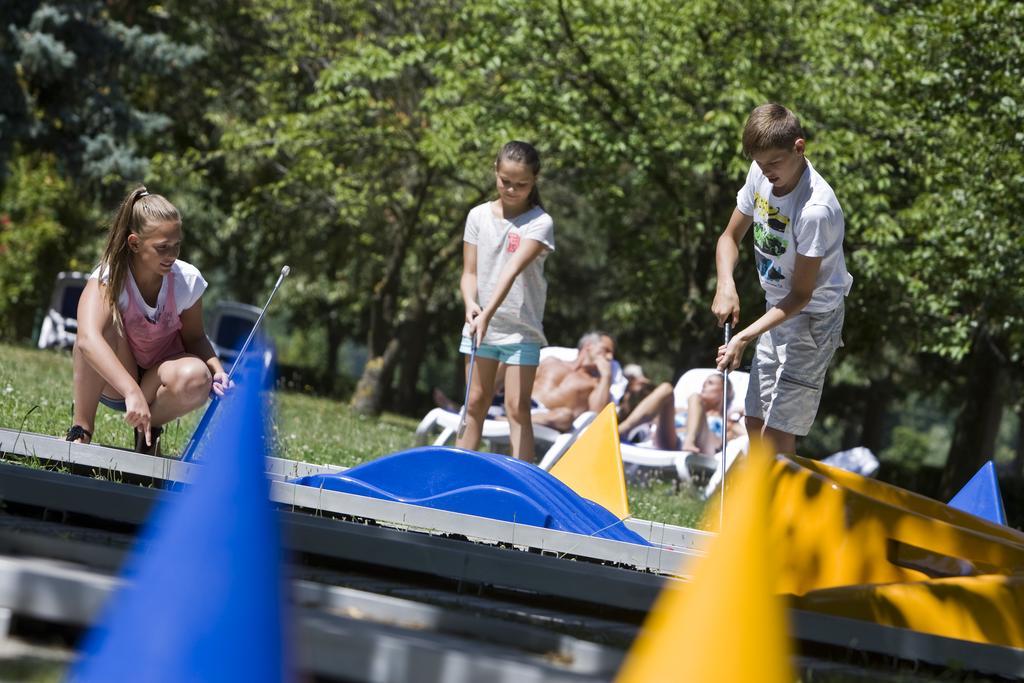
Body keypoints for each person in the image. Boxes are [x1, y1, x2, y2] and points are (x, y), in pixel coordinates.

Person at [712, 103, 853, 454]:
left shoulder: (814, 210)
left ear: (799, 147)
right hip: (776, 309)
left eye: (774, 162)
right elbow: (729, 238)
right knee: (754, 421)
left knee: (777, 433)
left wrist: (743, 336)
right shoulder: (760, 173)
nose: (766, 171)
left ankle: (776, 507)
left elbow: (802, 294)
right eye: (760, 163)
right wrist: (725, 284)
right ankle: (761, 503)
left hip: (812, 319)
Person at [66, 186, 229, 455]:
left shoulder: (187, 281)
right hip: (117, 379)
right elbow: (86, 339)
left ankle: (149, 431)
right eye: (162, 247)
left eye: (176, 245)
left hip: (159, 379)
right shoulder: (109, 276)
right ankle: (81, 430)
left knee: (198, 377)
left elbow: (195, 338)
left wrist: (217, 370)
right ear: (134, 243)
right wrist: (131, 392)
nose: (172, 255)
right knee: (98, 330)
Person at [455, 141, 554, 462]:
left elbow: (511, 270)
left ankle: (522, 484)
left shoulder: (540, 223)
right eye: (505, 181)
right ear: (495, 172)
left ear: (534, 180)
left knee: (516, 407)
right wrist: (472, 304)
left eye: (521, 184)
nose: (512, 189)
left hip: (521, 329)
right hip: (480, 325)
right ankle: (458, 471)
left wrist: (488, 314)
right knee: (474, 403)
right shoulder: (478, 215)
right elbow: (469, 272)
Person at [617, 372, 743, 455]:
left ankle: (690, 441)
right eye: (704, 383)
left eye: (710, 383)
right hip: (672, 441)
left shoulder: (728, 421)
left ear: (724, 391)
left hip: (703, 448)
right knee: (666, 387)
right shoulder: (683, 410)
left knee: (695, 397)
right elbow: (651, 416)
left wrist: (743, 413)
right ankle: (621, 430)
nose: (704, 387)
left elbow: (747, 439)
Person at [530, 331, 618, 432]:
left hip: (549, 419)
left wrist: (606, 376)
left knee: (565, 416)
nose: (610, 357)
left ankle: (514, 419)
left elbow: (596, 417)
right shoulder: (551, 361)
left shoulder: (596, 384)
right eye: (606, 350)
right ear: (588, 346)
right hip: (522, 404)